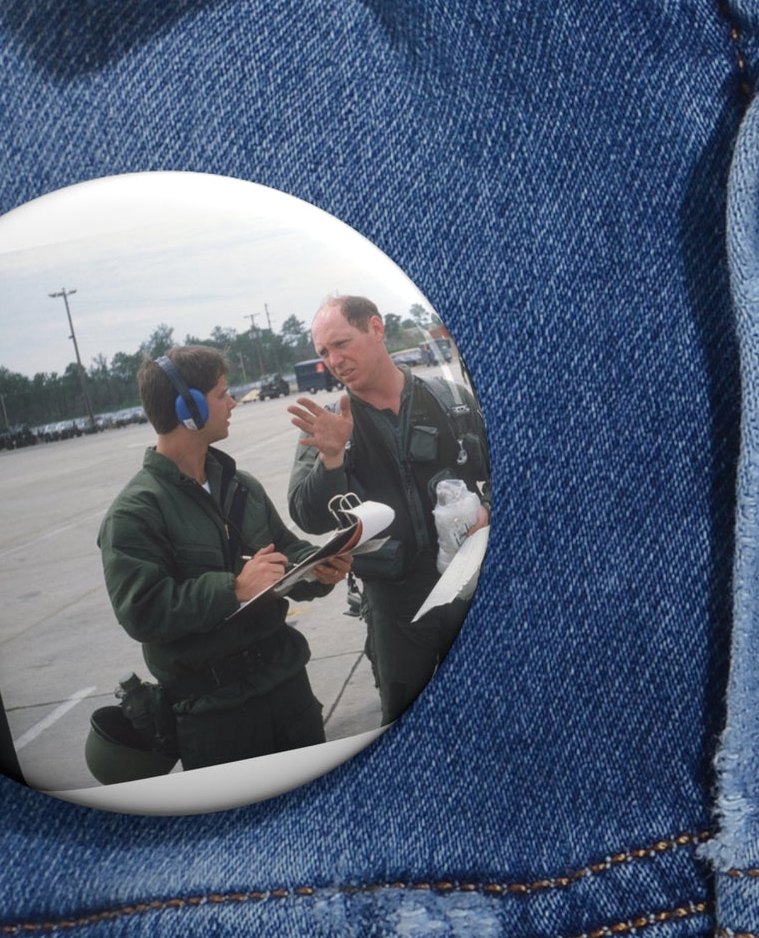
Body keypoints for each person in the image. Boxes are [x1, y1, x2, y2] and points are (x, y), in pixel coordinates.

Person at [97, 346, 352, 771]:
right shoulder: (134, 513)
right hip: (215, 720)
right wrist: (233, 590)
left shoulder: (242, 486)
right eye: (222, 394)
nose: (233, 403)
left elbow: (286, 550)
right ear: (190, 409)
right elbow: (141, 611)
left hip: (289, 692)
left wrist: (322, 566)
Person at [287, 296, 490, 724]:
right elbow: (307, 515)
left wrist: (487, 510)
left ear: (376, 329)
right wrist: (332, 458)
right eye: (323, 352)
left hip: (468, 583)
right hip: (394, 606)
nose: (334, 361)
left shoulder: (451, 401)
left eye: (341, 343)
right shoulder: (330, 424)